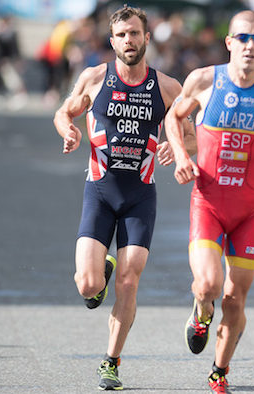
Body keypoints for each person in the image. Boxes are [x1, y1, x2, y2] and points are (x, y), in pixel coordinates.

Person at [53, 5, 195, 390]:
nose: (128, 41)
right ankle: (100, 275)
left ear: (147, 38)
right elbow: (63, 113)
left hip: (139, 196)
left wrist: (178, 148)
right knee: (87, 285)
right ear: (112, 40)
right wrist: (69, 131)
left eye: (135, 33)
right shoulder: (96, 78)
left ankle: (111, 361)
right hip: (99, 191)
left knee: (129, 282)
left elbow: (194, 133)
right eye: (121, 35)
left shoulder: (168, 88)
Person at [164, 10, 254, 393]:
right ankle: (200, 310)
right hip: (208, 201)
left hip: (249, 209)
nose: (249, 46)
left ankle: (219, 372)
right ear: (229, 42)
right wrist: (181, 157)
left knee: (235, 300)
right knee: (208, 284)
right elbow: (173, 120)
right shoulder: (205, 80)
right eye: (242, 38)